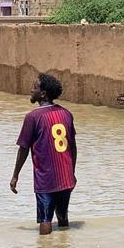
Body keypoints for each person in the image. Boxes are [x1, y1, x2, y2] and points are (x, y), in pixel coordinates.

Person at [10, 73, 77, 235]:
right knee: (62, 218)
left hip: (46, 179)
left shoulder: (33, 117)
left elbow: (23, 148)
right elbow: (73, 148)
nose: (31, 90)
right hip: (66, 177)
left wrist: (15, 175)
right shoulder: (66, 114)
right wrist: (71, 172)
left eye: (34, 87)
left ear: (43, 93)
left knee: (45, 219)